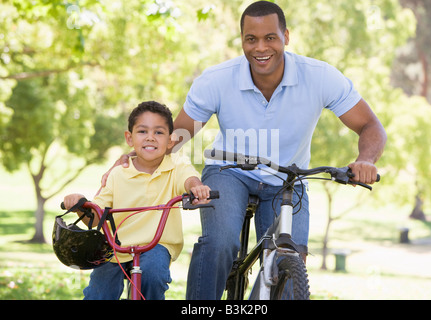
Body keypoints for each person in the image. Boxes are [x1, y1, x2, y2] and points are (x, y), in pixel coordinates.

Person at [106, 1, 387, 300]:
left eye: (270, 38)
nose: (260, 47)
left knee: (289, 256)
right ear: (241, 40)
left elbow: (370, 125)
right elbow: (178, 134)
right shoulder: (217, 79)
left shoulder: (320, 77)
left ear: (286, 37)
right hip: (228, 171)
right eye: (251, 39)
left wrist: (365, 159)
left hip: (289, 177)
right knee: (220, 242)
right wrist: (139, 156)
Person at [63, 101, 211, 300]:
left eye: (159, 132)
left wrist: (196, 188)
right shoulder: (118, 173)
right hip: (117, 247)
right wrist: (80, 205)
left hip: (157, 245)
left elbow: (189, 179)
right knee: (99, 293)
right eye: (142, 131)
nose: (150, 137)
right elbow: (96, 217)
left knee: (153, 275)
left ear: (170, 140)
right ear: (129, 138)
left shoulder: (176, 166)